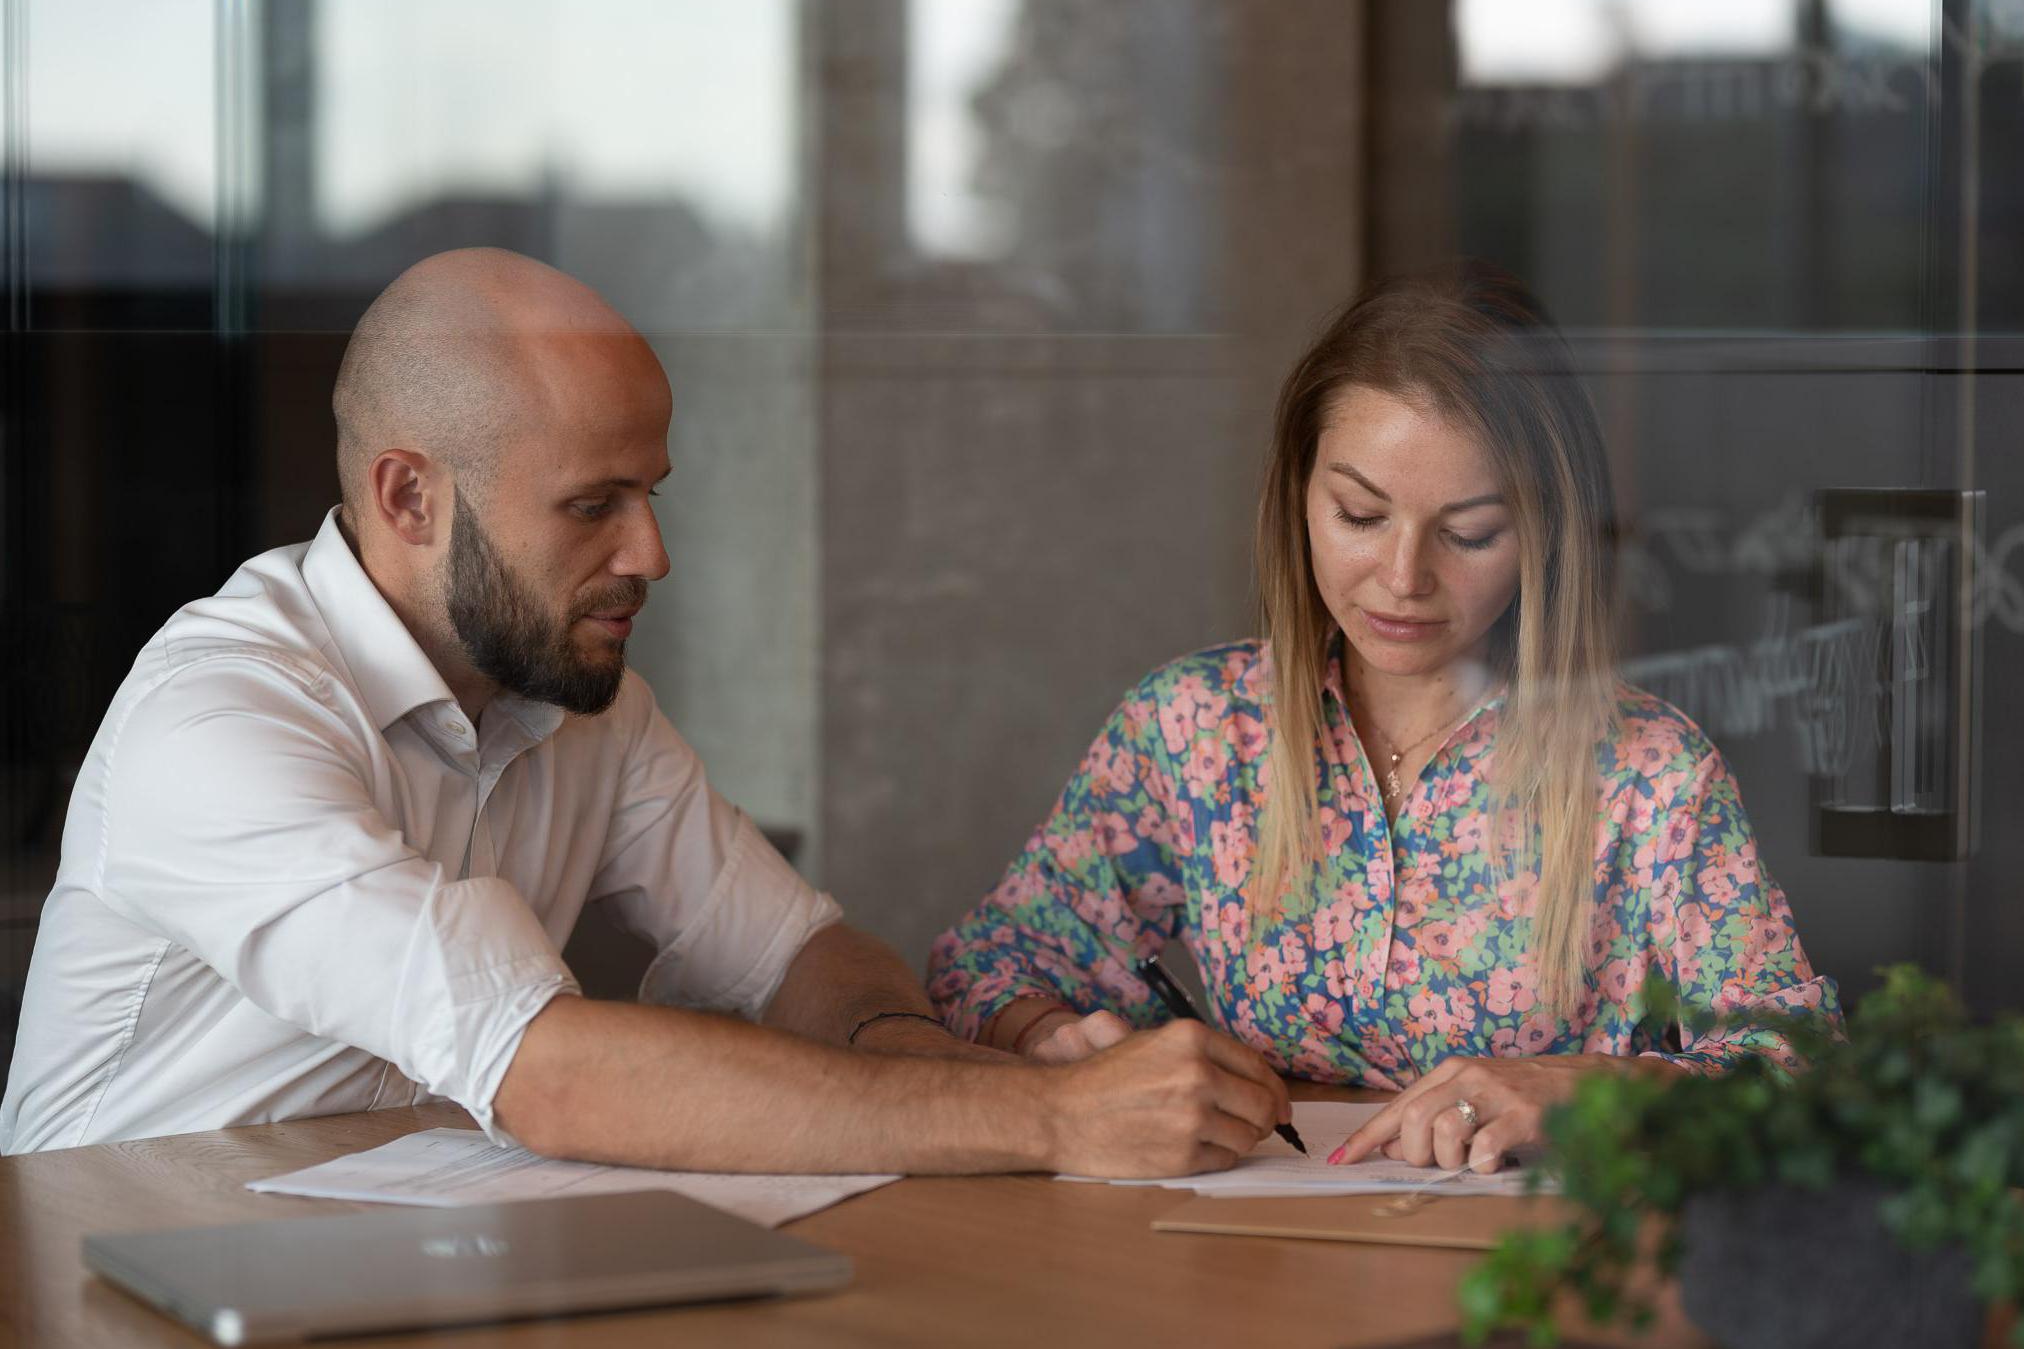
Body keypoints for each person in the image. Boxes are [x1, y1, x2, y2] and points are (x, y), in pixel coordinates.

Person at [0, 248, 1293, 1179]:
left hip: (395, 1276)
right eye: (592, 505)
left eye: (653, 494)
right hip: (116, 1284)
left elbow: (800, 957)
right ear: (409, 499)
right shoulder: (219, 718)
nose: (653, 554)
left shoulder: (585, 710)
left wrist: (964, 1075)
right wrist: (1055, 1123)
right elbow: (547, 1072)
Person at [926, 263, 1842, 1175]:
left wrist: (1586, 1091)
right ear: (1299, 496)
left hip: (1521, 1269)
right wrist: (1058, 1047)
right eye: (1360, 514)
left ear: (1548, 531)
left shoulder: (1648, 773)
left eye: (1471, 532)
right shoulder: (1197, 729)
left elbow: (1804, 1074)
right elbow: (989, 962)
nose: (1404, 577)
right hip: (1245, 1261)